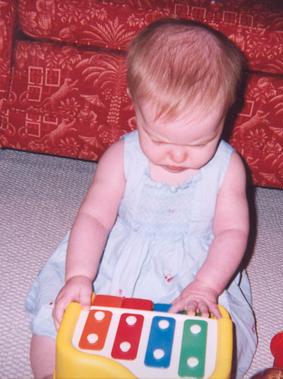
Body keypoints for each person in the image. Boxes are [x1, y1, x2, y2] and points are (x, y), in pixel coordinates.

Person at [26, 18, 257, 379]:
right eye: (160, 140)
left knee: (215, 350)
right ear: (134, 104)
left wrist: (205, 286)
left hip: (194, 270)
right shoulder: (120, 158)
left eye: (198, 143)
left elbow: (232, 233)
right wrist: (80, 276)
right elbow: (95, 219)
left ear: (226, 112)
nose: (177, 156)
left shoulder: (228, 169)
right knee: (55, 319)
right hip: (117, 259)